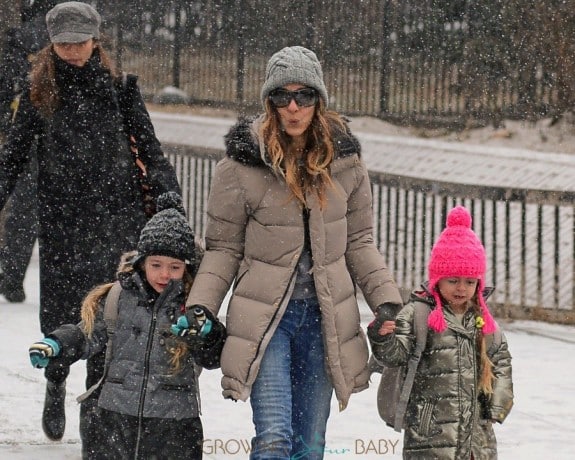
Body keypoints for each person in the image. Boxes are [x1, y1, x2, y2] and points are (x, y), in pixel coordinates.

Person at [184, 45, 404, 460]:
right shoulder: (240, 166)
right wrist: (201, 308)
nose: (293, 106)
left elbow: (360, 244)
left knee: (309, 446)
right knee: (273, 440)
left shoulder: (347, 164)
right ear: (269, 101)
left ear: (318, 101)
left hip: (326, 322)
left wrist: (388, 304)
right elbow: (223, 250)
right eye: (282, 95)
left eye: (304, 95)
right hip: (266, 321)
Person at [0, 0, 180, 450]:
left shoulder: (120, 89)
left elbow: (149, 147)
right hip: (62, 225)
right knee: (62, 323)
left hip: (115, 224)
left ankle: (94, 418)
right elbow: (14, 158)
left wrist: (167, 199)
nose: (73, 50)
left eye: (79, 42)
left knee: (106, 323)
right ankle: (57, 381)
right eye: (63, 43)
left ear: (95, 40)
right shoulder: (39, 93)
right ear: (52, 45)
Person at [28, 192, 226, 459]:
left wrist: (208, 334)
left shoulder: (193, 307)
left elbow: (213, 357)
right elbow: (86, 333)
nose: (164, 274)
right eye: (156, 265)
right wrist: (57, 343)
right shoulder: (118, 298)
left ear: (187, 269)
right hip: (114, 422)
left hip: (174, 428)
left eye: (175, 267)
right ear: (142, 262)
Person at [368, 205, 514, 459]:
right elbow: (395, 356)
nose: (462, 288)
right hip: (429, 434)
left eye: (470, 282)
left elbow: (500, 360)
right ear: (437, 279)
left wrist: (496, 406)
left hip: (476, 438)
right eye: (453, 280)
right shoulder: (418, 314)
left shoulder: (483, 321)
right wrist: (382, 338)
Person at [0, 0, 57, 302]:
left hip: (27, 134)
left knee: (23, 211)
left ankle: (11, 276)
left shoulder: (21, 38)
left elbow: (5, 87)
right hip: (58, 137)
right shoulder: (62, 33)